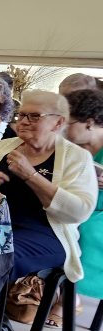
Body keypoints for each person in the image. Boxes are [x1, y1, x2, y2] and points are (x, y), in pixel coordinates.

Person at [0, 90, 96, 331]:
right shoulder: (4, 147)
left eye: (34, 116)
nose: (23, 121)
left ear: (58, 122)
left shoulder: (77, 157)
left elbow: (80, 211)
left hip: (47, 234)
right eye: (21, 115)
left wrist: (31, 176)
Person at [63, 88, 103, 312]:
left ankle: (69, 293)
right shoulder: (74, 149)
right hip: (79, 205)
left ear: (89, 123)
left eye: (69, 122)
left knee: (86, 228)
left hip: (98, 213)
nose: (63, 128)